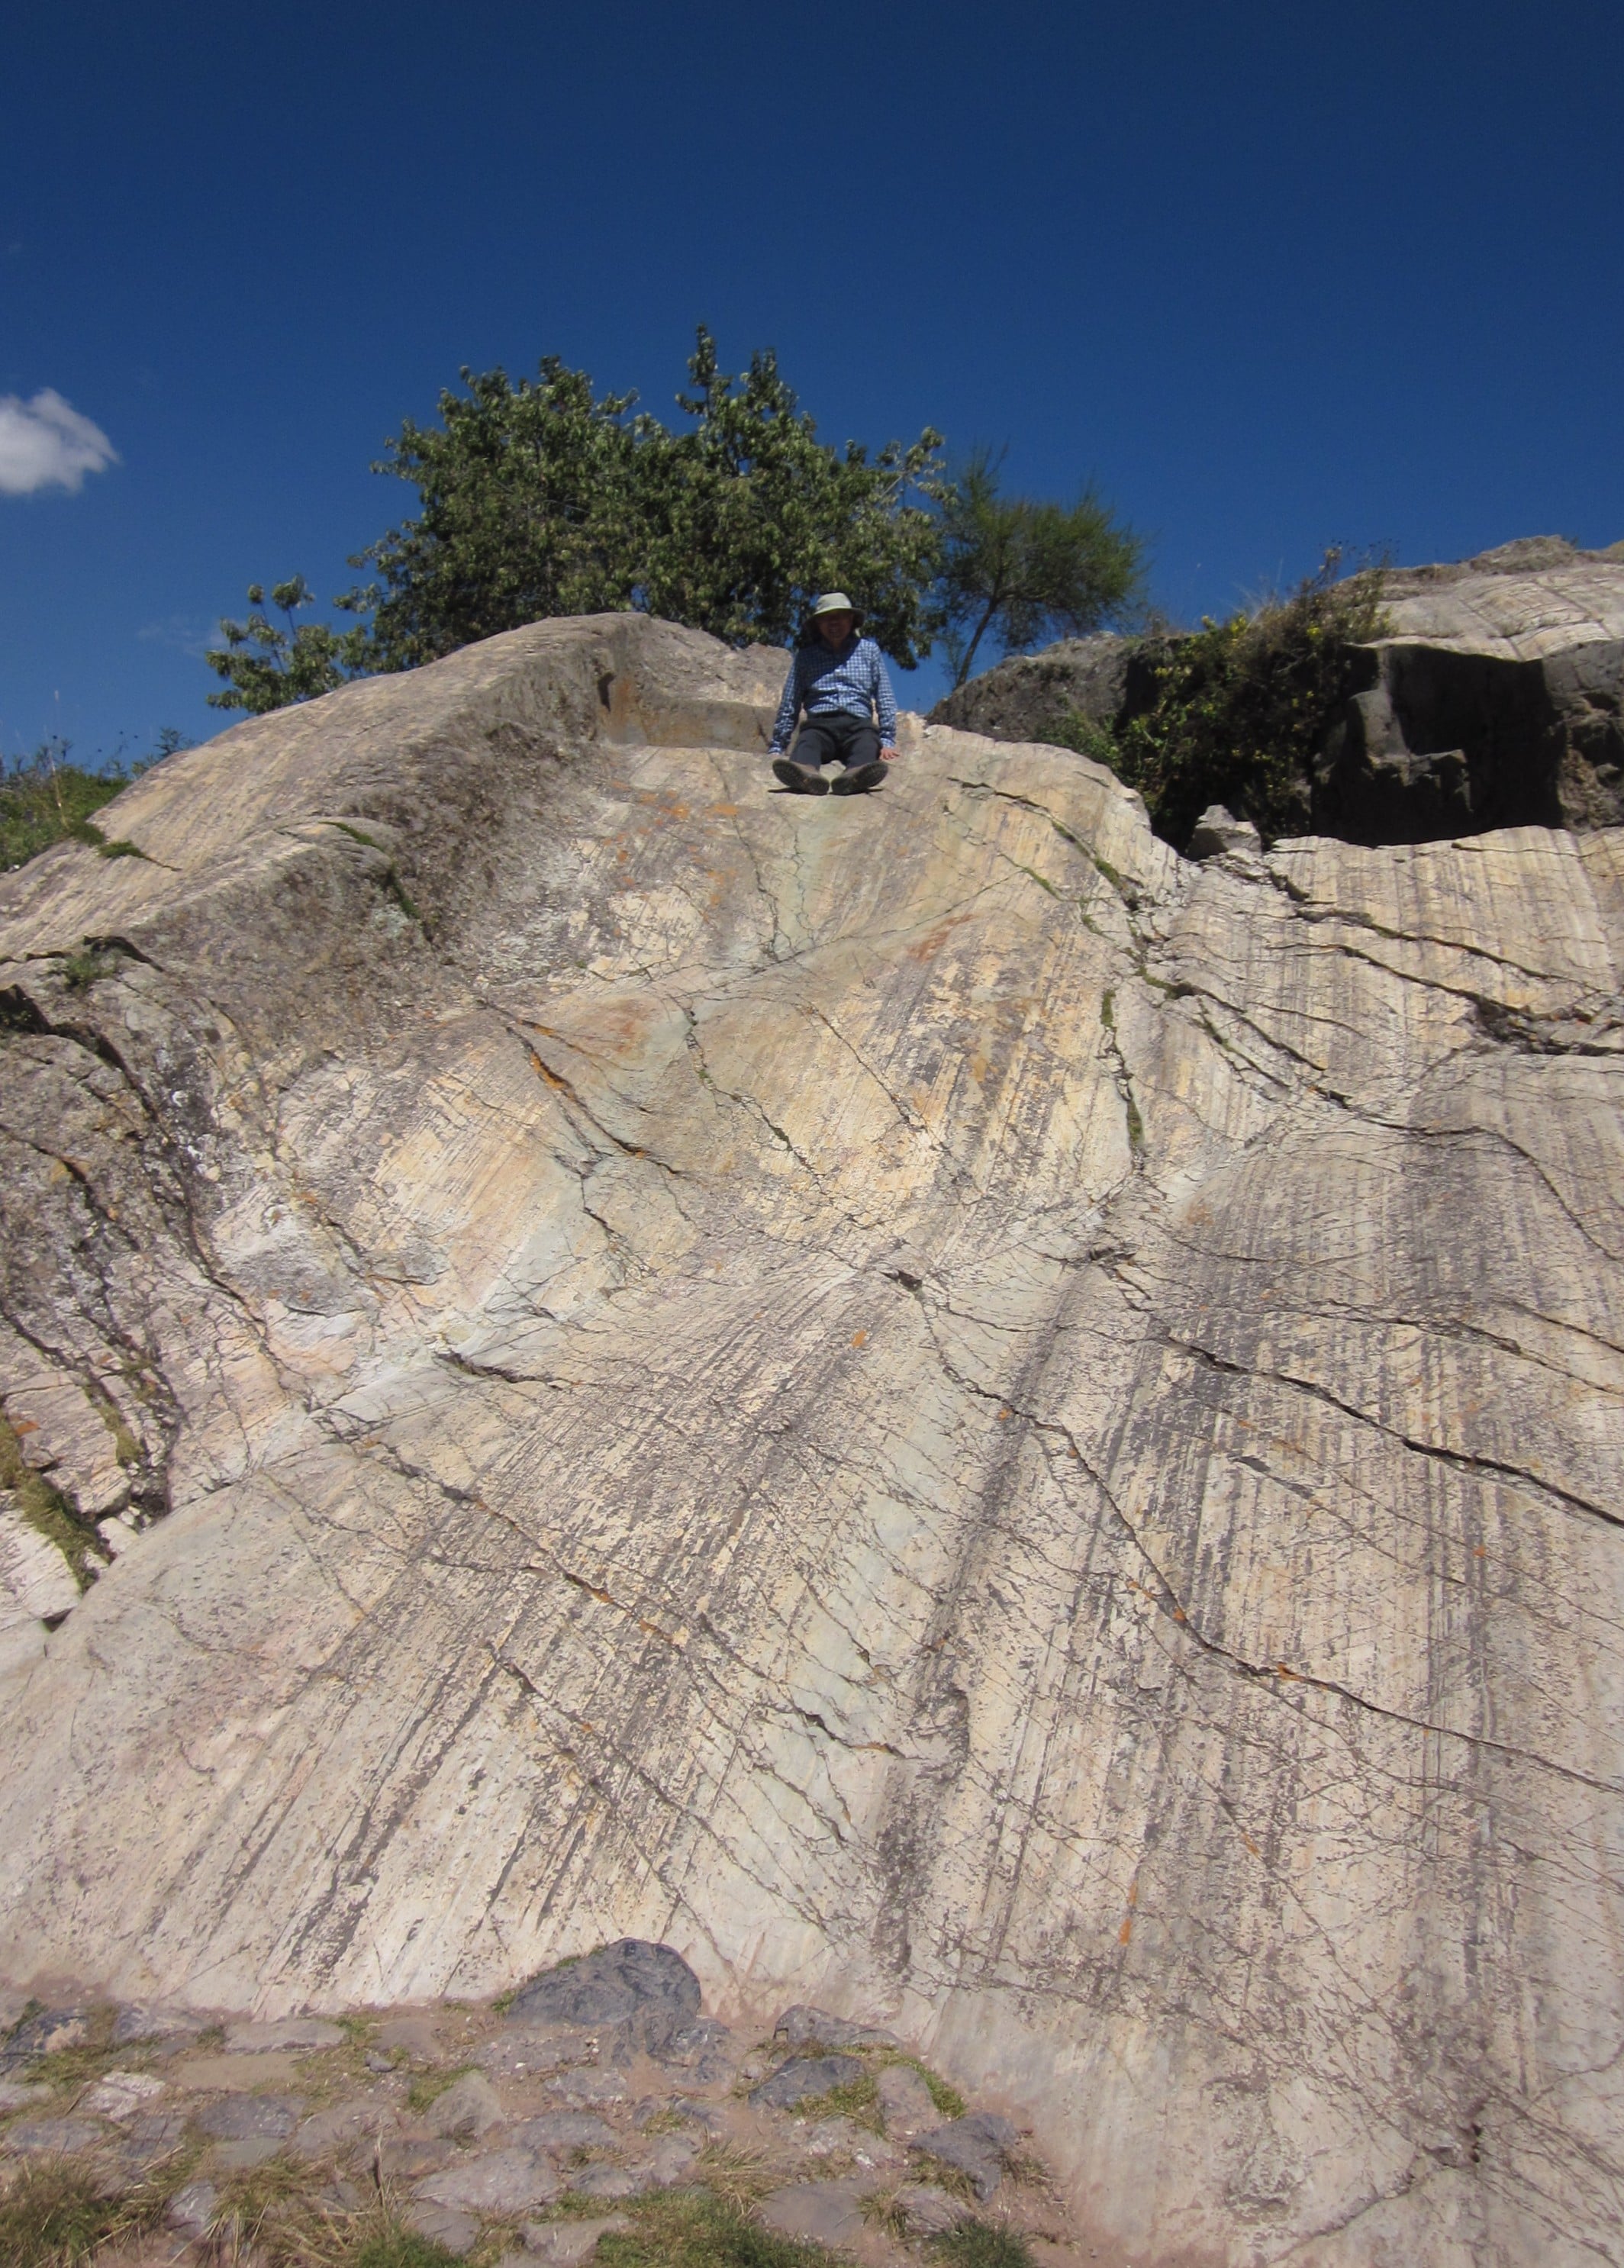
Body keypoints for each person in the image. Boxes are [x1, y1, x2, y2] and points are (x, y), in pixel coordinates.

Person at [768, 593, 900, 796]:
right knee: (807, 742)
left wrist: (887, 740)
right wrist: (778, 746)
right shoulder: (806, 657)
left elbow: (885, 695)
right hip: (820, 724)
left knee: (867, 742)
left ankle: (855, 776)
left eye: (841, 617)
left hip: (858, 724)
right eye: (828, 618)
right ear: (818, 624)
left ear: (851, 620)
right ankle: (805, 774)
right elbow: (790, 701)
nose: (835, 623)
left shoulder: (869, 651)